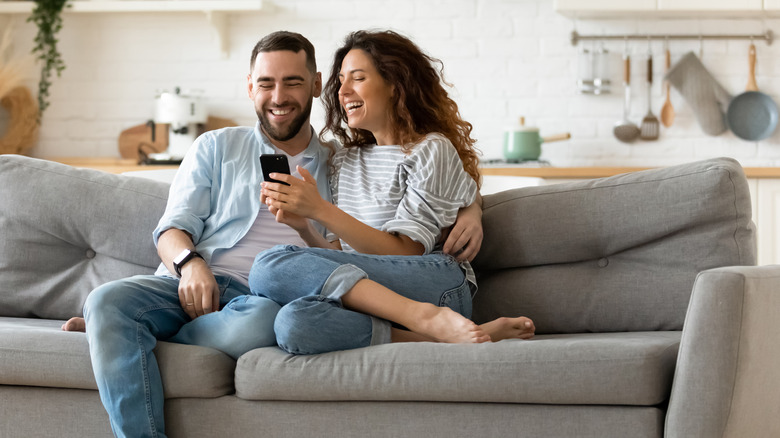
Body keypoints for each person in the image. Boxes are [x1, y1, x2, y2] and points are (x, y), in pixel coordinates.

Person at [62, 31, 484, 438]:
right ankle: (121, 342)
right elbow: (171, 229)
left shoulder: (336, 161)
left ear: (316, 86)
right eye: (266, 83)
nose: (278, 97)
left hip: (260, 301)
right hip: (189, 284)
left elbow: (423, 189)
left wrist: (474, 208)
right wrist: (190, 266)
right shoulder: (215, 147)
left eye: (293, 82)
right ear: (250, 87)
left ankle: (130, 333)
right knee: (105, 299)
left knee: (265, 320)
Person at [251, 30, 535, 355]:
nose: (342, 91)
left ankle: (427, 316)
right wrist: (304, 226)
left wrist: (321, 210)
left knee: (268, 265)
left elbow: (407, 253)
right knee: (293, 323)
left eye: (357, 78)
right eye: (341, 80)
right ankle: (438, 335)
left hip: (433, 284)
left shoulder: (430, 150)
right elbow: (341, 258)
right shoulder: (344, 159)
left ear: (395, 84)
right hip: (372, 292)